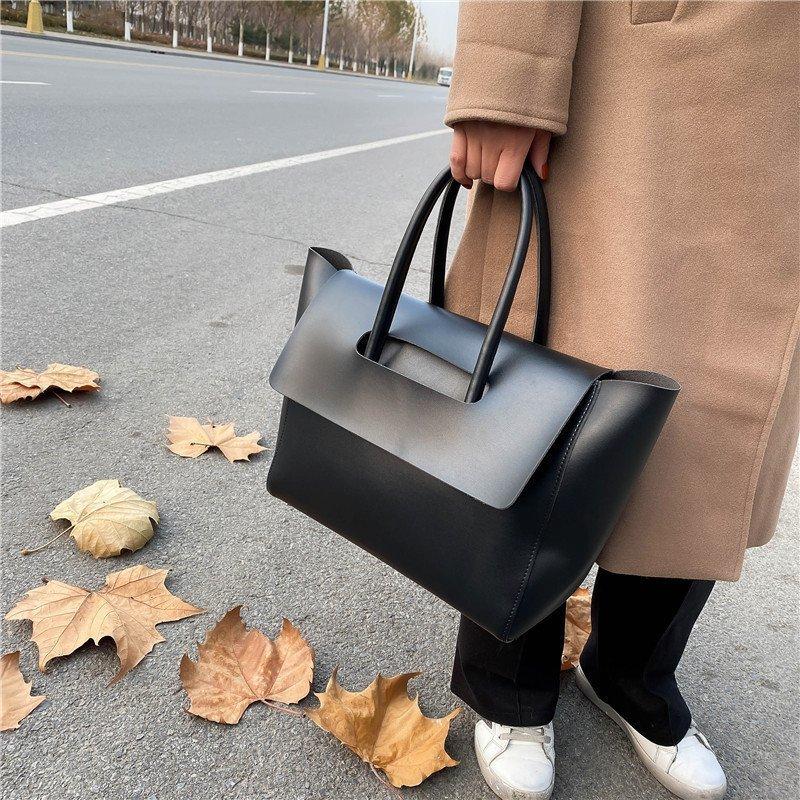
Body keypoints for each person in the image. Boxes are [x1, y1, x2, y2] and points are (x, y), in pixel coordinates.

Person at [442, 3, 799, 800]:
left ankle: (633, 672)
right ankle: (510, 683)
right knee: (548, 376)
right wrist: (508, 71)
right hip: (635, 68)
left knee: (713, 412)